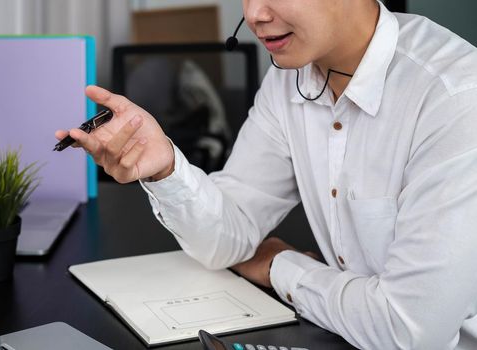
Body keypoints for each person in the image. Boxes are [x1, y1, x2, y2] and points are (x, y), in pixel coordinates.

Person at [56, 0, 477, 348]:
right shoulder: (289, 79)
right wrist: (166, 167)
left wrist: (277, 264)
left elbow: (408, 331)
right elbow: (228, 237)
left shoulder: (455, 98)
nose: (254, 14)